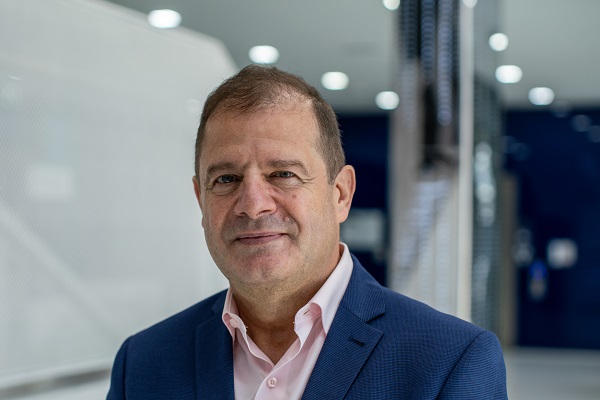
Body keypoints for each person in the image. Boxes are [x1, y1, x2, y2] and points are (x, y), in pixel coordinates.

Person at [107, 65, 507, 399]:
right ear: (201, 199)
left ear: (341, 194)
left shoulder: (450, 364)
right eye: (226, 179)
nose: (253, 205)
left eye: (283, 174)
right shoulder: (142, 365)